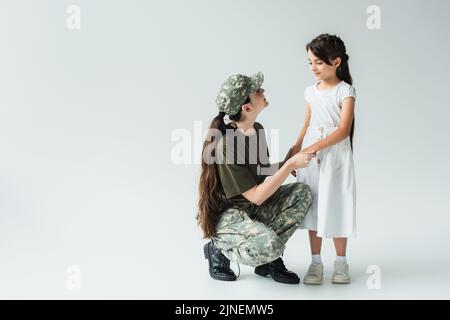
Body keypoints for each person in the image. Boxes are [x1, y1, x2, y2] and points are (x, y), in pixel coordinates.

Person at [197, 72, 314, 284]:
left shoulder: (256, 130)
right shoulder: (227, 145)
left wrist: (286, 161)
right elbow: (256, 196)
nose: (263, 92)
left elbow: (260, 171)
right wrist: (288, 166)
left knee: (301, 193)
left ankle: (267, 263)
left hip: (251, 209)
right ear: (246, 108)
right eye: (257, 91)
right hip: (231, 215)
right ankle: (218, 247)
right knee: (272, 246)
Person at [292, 34, 357, 284]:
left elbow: (342, 130)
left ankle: (341, 263)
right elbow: (307, 123)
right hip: (311, 155)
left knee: (337, 202)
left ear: (336, 61)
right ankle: (315, 262)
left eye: (318, 62)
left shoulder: (345, 91)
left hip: (335, 156)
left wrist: (315, 147)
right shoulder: (311, 91)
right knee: (314, 205)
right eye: (310, 62)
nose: (313, 68)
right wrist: (296, 149)